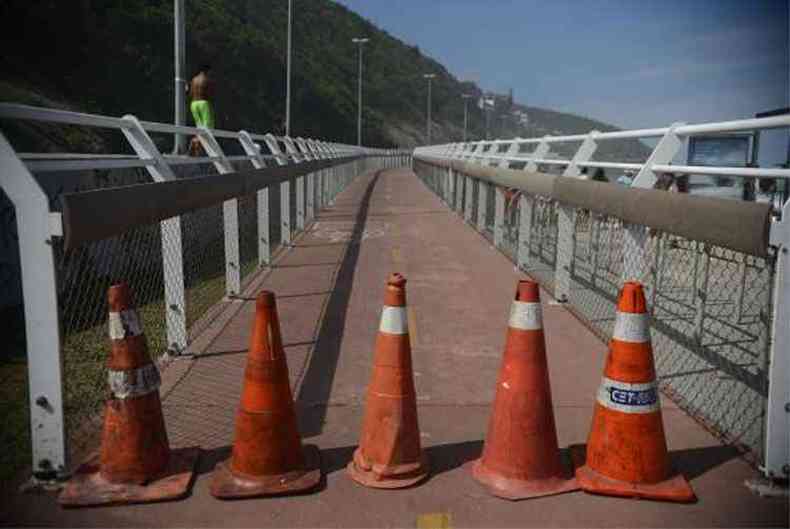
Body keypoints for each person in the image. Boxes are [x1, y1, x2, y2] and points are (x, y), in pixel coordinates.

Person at [188, 64, 216, 155]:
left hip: (194, 104)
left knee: (199, 128)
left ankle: (197, 149)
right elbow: (210, 93)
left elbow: (189, 92)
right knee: (208, 129)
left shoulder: (193, 80)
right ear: (207, 71)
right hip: (204, 103)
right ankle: (197, 143)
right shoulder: (207, 79)